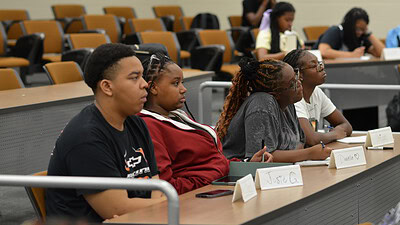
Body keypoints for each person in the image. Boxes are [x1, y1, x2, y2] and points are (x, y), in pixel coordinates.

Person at [45, 43, 165, 222]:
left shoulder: (136, 123)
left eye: (143, 76)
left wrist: (161, 204)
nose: (145, 84)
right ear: (107, 87)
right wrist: (166, 204)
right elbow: (116, 209)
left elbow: (155, 186)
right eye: (134, 78)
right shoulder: (86, 138)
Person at [138, 53, 272, 195]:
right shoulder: (149, 126)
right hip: (198, 197)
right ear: (153, 88)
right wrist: (212, 178)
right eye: (175, 83)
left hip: (216, 185)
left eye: (182, 82)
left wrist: (246, 163)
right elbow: (166, 187)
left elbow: (209, 161)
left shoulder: (177, 116)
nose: (184, 89)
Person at [216, 57, 332, 163]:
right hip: (237, 176)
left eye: (296, 77)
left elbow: (300, 141)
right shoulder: (261, 105)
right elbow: (263, 158)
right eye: (292, 84)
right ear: (275, 94)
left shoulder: (288, 102)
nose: (299, 84)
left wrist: (297, 154)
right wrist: (309, 154)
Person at [283, 49, 353, 146]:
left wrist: (325, 136)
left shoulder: (316, 92)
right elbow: (310, 139)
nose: (321, 68)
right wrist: (335, 134)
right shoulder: (294, 99)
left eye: (320, 63)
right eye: (313, 66)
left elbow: (347, 126)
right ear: (299, 74)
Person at [315, 7, 385, 59]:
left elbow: (382, 54)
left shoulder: (362, 36)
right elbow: (324, 51)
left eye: (363, 29)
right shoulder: (336, 31)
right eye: (357, 29)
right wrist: (352, 55)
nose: (360, 32)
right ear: (349, 26)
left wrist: (368, 33)